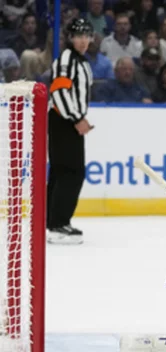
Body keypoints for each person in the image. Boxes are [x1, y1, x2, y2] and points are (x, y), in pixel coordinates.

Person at [47, 18, 93, 245]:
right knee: (71, 172)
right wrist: (76, 118)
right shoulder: (67, 59)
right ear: (70, 38)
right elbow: (59, 91)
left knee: (61, 171)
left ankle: (52, 222)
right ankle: (57, 224)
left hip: (67, 120)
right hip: (64, 120)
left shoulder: (80, 61)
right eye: (78, 36)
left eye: (86, 36)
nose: (83, 40)